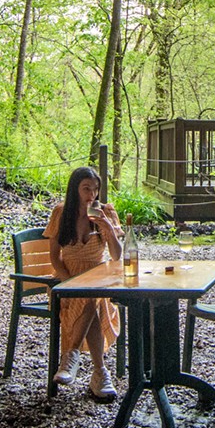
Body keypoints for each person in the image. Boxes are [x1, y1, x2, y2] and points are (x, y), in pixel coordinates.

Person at [46, 166, 123, 402]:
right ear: (75, 190)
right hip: (68, 276)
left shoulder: (106, 213)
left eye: (95, 189)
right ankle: (100, 373)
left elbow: (117, 256)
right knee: (88, 296)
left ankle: (71, 356)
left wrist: (108, 229)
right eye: (86, 188)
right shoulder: (61, 213)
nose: (92, 194)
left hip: (99, 276)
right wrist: (69, 281)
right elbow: (54, 256)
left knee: (92, 294)